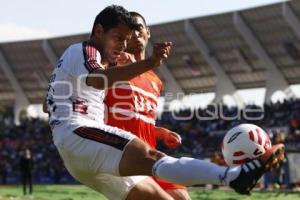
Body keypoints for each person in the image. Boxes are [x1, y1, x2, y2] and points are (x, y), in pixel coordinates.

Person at [44, 5, 285, 200]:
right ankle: (233, 176)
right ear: (98, 31)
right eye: (118, 38)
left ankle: (233, 176)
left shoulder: (88, 62)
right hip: (81, 134)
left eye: (125, 39)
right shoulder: (85, 50)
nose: (121, 46)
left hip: (84, 151)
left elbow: (49, 105)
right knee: (154, 156)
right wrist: (151, 62)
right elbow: (97, 80)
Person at [104, 11, 190, 200]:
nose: (135, 34)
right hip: (125, 160)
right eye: (129, 30)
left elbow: (140, 121)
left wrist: (161, 133)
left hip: (151, 157)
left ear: (148, 32)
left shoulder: (155, 81)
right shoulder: (112, 71)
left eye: (138, 28)